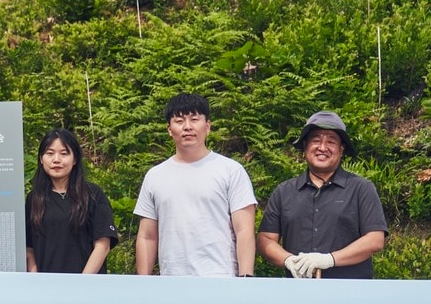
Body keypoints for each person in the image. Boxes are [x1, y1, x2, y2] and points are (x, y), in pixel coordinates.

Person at [134, 93, 257, 277]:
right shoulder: (155, 176)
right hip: (171, 282)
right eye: (179, 121)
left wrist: (246, 277)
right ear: (169, 129)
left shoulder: (231, 171)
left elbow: (244, 230)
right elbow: (147, 236)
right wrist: (143, 282)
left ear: (207, 126)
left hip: (220, 280)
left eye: (194, 119)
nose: (187, 127)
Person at [258, 111, 388, 279]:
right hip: (297, 293)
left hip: (351, 294)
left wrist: (330, 259)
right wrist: (288, 260)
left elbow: (375, 240)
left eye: (331, 141)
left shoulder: (361, 189)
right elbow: (265, 240)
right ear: (305, 146)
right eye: (316, 140)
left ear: (341, 149)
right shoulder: (284, 192)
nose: (322, 147)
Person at [25, 128, 119, 274]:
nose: (56, 159)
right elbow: (29, 247)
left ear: (75, 159)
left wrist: (81, 283)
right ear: (41, 159)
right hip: (45, 288)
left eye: (64, 153)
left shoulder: (93, 194)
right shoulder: (34, 199)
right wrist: (35, 277)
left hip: (87, 288)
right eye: (50, 153)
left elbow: (102, 245)